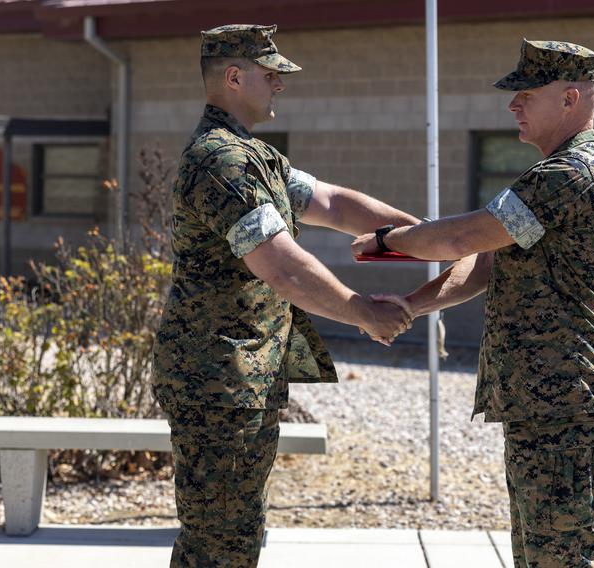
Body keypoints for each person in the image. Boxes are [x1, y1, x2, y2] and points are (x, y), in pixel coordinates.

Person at [152, 24, 419, 568]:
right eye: (270, 75)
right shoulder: (220, 161)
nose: (280, 85)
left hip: (241, 376)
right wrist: (362, 312)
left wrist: (423, 237)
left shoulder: (255, 157)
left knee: (228, 534)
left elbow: (334, 203)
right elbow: (280, 266)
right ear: (233, 76)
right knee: (220, 543)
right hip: (219, 379)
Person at [352, 39, 594, 568]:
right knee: (538, 551)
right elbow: (486, 261)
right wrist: (412, 305)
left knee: (566, 554)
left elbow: (463, 239)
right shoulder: (551, 173)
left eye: (525, 94)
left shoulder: (567, 175)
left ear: (570, 99)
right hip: (540, 403)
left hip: (562, 405)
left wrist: (389, 238)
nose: (512, 105)